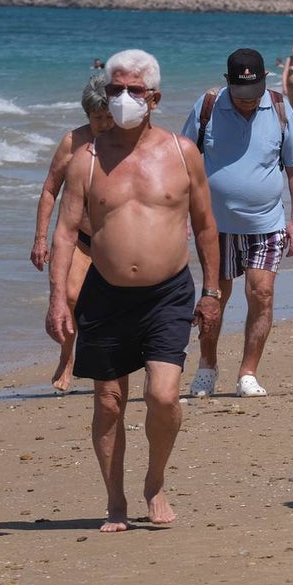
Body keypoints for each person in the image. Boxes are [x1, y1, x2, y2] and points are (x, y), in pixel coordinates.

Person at [45, 49, 221, 532]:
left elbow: (206, 226)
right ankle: (116, 501)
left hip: (168, 292)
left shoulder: (183, 153)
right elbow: (65, 234)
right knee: (108, 402)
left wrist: (212, 292)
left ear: (154, 98)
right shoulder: (88, 159)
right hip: (106, 293)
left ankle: (155, 482)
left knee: (164, 396)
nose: (123, 99)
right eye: (115, 89)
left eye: (133, 91)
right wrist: (58, 298)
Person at [182, 48, 293, 398]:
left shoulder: (279, 108)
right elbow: (184, 161)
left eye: (253, 95)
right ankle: (207, 367)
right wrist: (180, 216)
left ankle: (248, 373)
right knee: (214, 297)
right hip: (215, 226)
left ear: (265, 81)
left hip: (266, 223)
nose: (248, 102)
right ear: (228, 84)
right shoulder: (208, 105)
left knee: (262, 293)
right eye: (241, 95)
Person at [31, 74, 114, 391]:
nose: (104, 124)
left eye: (109, 117)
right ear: (87, 116)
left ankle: (114, 363)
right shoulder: (73, 142)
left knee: (116, 307)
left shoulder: (127, 141)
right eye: (97, 118)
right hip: (80, 238)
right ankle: (68, 357)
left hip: (116, 241)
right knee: (67, 298)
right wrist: (40, 238)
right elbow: (50, 190)